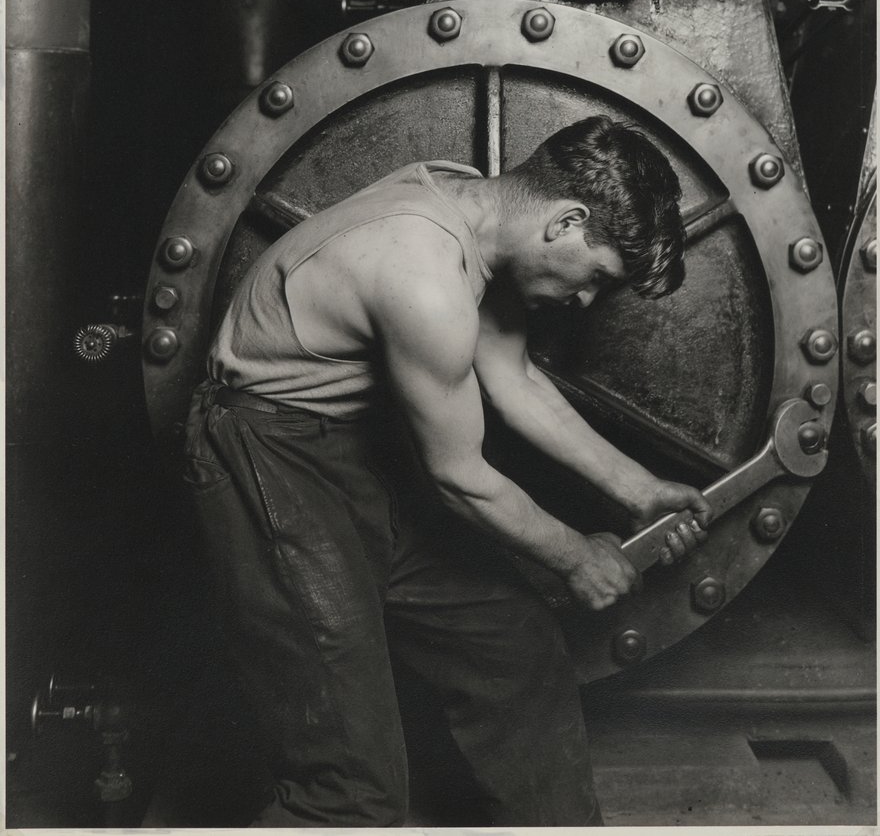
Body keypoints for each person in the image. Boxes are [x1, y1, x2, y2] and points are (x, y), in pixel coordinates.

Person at [184, 114, 711, 827]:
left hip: (354, 450)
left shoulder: (468, 204)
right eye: (596, 278)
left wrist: (638, 489)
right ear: (566, 221)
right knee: (351, 788)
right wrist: (575, 557)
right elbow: (461, 478)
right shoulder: (422, 275)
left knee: (514, 648)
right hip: (270, 460)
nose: (585, 302)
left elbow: (512, 372)